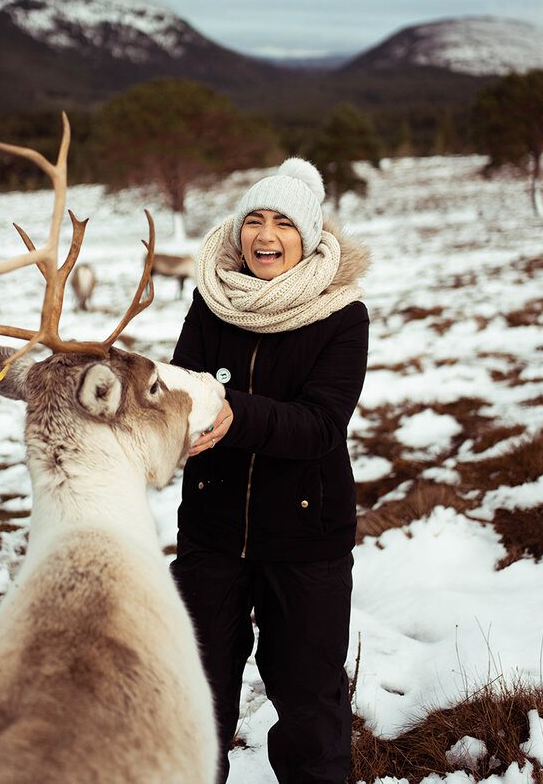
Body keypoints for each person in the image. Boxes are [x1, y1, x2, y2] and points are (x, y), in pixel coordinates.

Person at [170, 157, 370, 784]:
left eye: (283, 223)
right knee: (194, 700)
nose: (265, 236)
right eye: (253, 220)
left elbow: (320, 425)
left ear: (308, 237)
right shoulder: (211, 303)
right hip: (211, 535)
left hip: (306, 542)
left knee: (310, 708)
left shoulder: (342, 316)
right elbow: (181, 391)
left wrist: (231, 413)